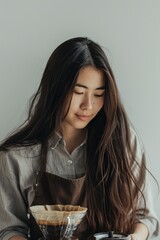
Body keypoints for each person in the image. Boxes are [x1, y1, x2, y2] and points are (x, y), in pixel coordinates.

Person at [0, 37, 159, 240]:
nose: (88, 105)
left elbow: (145, 218)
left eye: (99, 94)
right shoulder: (15, 157)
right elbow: (8, 229)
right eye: (79, 92)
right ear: (55, 89)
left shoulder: (123, 143)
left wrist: (131, 238)